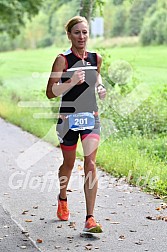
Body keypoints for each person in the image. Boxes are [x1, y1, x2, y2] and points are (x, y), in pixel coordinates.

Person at [46, 16, 106, 233]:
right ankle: (63, 198)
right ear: (69, 35)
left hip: (91, 117)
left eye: (85, 32)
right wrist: (70, 82)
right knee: (68, 164)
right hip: (68, 119)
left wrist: (100, 88)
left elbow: (96, 77)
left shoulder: (95, 57)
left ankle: (90, 218)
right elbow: (50, 93)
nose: (81, 37)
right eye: (77, 32)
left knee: (90, 163)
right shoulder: (63, 60)